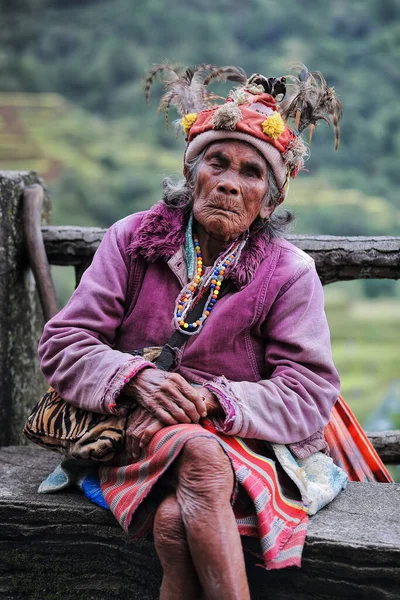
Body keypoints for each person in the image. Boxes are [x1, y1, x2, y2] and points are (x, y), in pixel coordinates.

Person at [38, 65, 349, 599]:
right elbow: (65, 344)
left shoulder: (289, 271)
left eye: (252, 173)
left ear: (270, 201)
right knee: (199, 460)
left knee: (174, 516)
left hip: (241, 438)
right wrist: (137, 380)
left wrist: (207, 401)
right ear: (191, 173)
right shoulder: (132, 239)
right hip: (130, 427)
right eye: (217, 162)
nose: (229, 180)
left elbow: (307, 393)